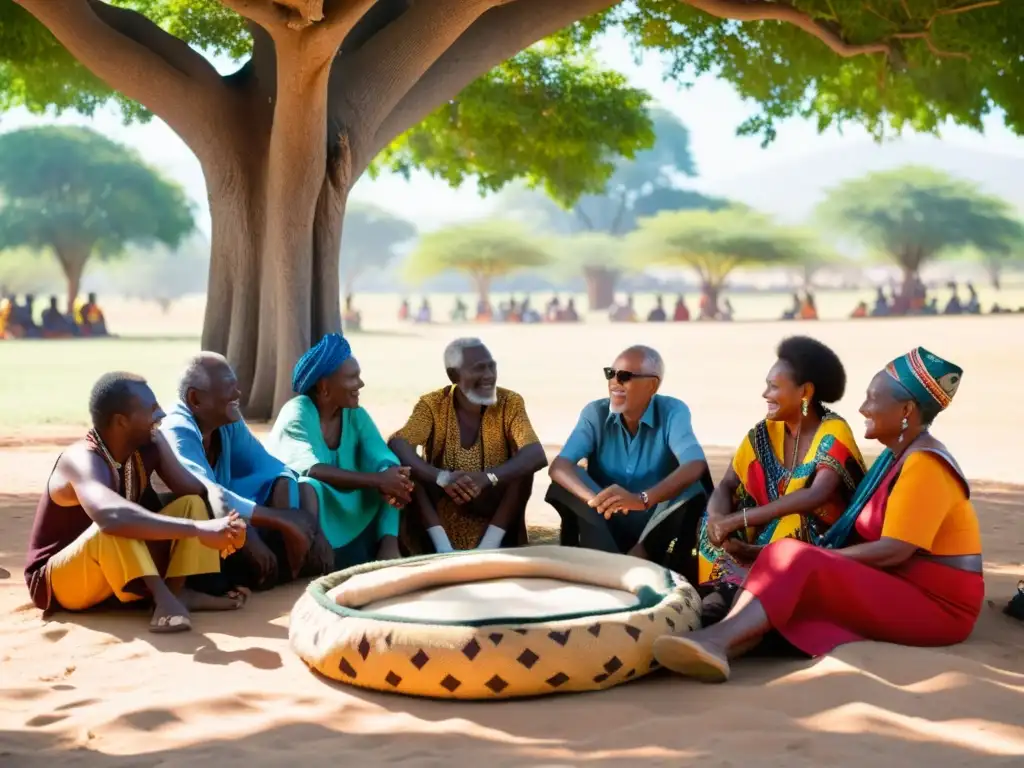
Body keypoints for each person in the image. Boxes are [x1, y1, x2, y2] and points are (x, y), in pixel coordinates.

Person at [653, 347, 981, 683]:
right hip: (898, 584)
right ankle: (735, 636)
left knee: (793, 556)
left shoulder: (924, 464)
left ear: (906, 410)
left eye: (872, 398)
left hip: (937, 607)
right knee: (780, 555)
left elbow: (893, 550)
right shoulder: (895, 458)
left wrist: (816, 557)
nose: (862, 408)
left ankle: (717, 640)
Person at [24, 372, 247, 633]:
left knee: (190, 504)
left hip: (110, 568)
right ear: (121, 421)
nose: (163, 415)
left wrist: (228, 524)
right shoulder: (80, 459)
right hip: (62, 584)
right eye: (152, 410)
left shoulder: (146, 445)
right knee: (113, 522)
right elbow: (110, 516)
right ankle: (162, 600)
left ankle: (177, 592)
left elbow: (191, 488)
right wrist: (199, 530)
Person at [697, 336, 865, 609]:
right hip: (762, 536)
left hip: (820, 543)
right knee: (708, 521)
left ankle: (736, 597)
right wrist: (718, 520)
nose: (765, 394)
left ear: (805, 392)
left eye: (773, 387)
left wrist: (739, 521)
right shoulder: (764, 431)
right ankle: (725, 590)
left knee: (793, 521)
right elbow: (728, 484)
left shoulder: (833, 430)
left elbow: (816, 495)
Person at [161, 353, 319, 590]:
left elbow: (273, 469)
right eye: (228, 388)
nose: (237, 395)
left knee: (293, 496)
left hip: (222, 525)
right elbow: (208, 492)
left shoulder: (226, 423)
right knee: (221, 579)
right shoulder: (177, 430)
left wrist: (294, 524)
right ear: (195, 399)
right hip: (174, 543)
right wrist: (275, 523)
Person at [546, 345, 711, 568]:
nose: (615, 382)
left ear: (652, 385)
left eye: (625, 376)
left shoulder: (673, 410)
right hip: (603, 521)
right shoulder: (595, 413)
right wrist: (597, 501)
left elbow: (695, 464)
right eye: (610, 373)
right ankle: (610, 558)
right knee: (566, 482)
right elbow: (559, 466)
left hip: (653, 528)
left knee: (694, 485)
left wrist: (641, 500)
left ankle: (641, 555)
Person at [267, 334, 414, 570]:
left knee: (391, 470)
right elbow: (312, 470)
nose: (360, 384)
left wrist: (386, 474)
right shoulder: (296, 414)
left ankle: (389, 545)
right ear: (324, 387)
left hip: (354, 513)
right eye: (352, 377)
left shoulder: (355, 414)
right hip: (314, 514)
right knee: (309, 484)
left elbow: (380, 454)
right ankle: (315, 546)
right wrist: (378, 481)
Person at [389, 338, 548, 553]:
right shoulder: (432, 404)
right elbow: (398, 443)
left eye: (492, 366)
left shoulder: (510, 402)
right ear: (454, 375)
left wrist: (488, 477)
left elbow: (535, 453)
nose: (489, 375)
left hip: (493, 511)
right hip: (442, 510)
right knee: (410, 468)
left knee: (522, 467)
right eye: (479, 369)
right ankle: (442, 549)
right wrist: (442, 477)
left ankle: (489, 547)